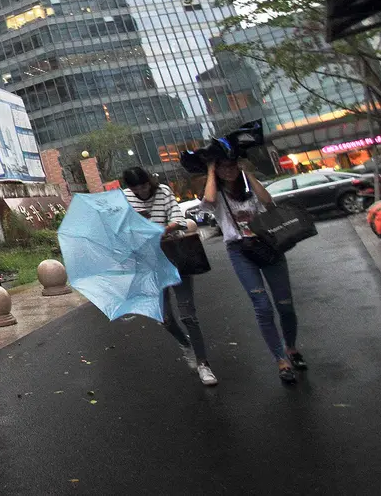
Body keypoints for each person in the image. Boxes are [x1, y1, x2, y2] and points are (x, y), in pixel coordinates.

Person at [202, 157, 305, 384]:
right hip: (239, 250)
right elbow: (208, 201)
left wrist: (248, 173)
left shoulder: (250, 188)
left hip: (268, 244)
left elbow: (269, 203)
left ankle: (291, 348)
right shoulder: (218, 195)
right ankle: (281, 360)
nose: (228, 171)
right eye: (223, 167)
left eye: (232, 166)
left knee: (285, 304)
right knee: (263, 306)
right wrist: (210, 169)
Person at [122, 167, 218, 387]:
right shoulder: (125, 198)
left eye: (144, 186)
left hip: (174, 255)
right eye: (136, 188)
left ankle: (204, 364)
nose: (141, 191)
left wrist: (164, 228)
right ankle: (186, 346)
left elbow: (179, 220)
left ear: (150, 181)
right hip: (149, 262)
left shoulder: (163, 192)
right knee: (164, 318)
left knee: (188, 315)